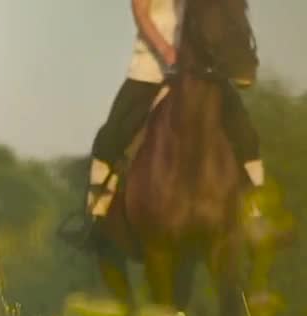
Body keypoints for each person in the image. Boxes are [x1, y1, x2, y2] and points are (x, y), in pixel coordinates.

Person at [85, 0, 265, 222]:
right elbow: (140, 12)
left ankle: (257, 213)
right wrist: (166, 50)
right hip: (150, 66)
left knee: (246, 134)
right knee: (111, 136)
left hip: (201, 70)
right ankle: (97, 215)